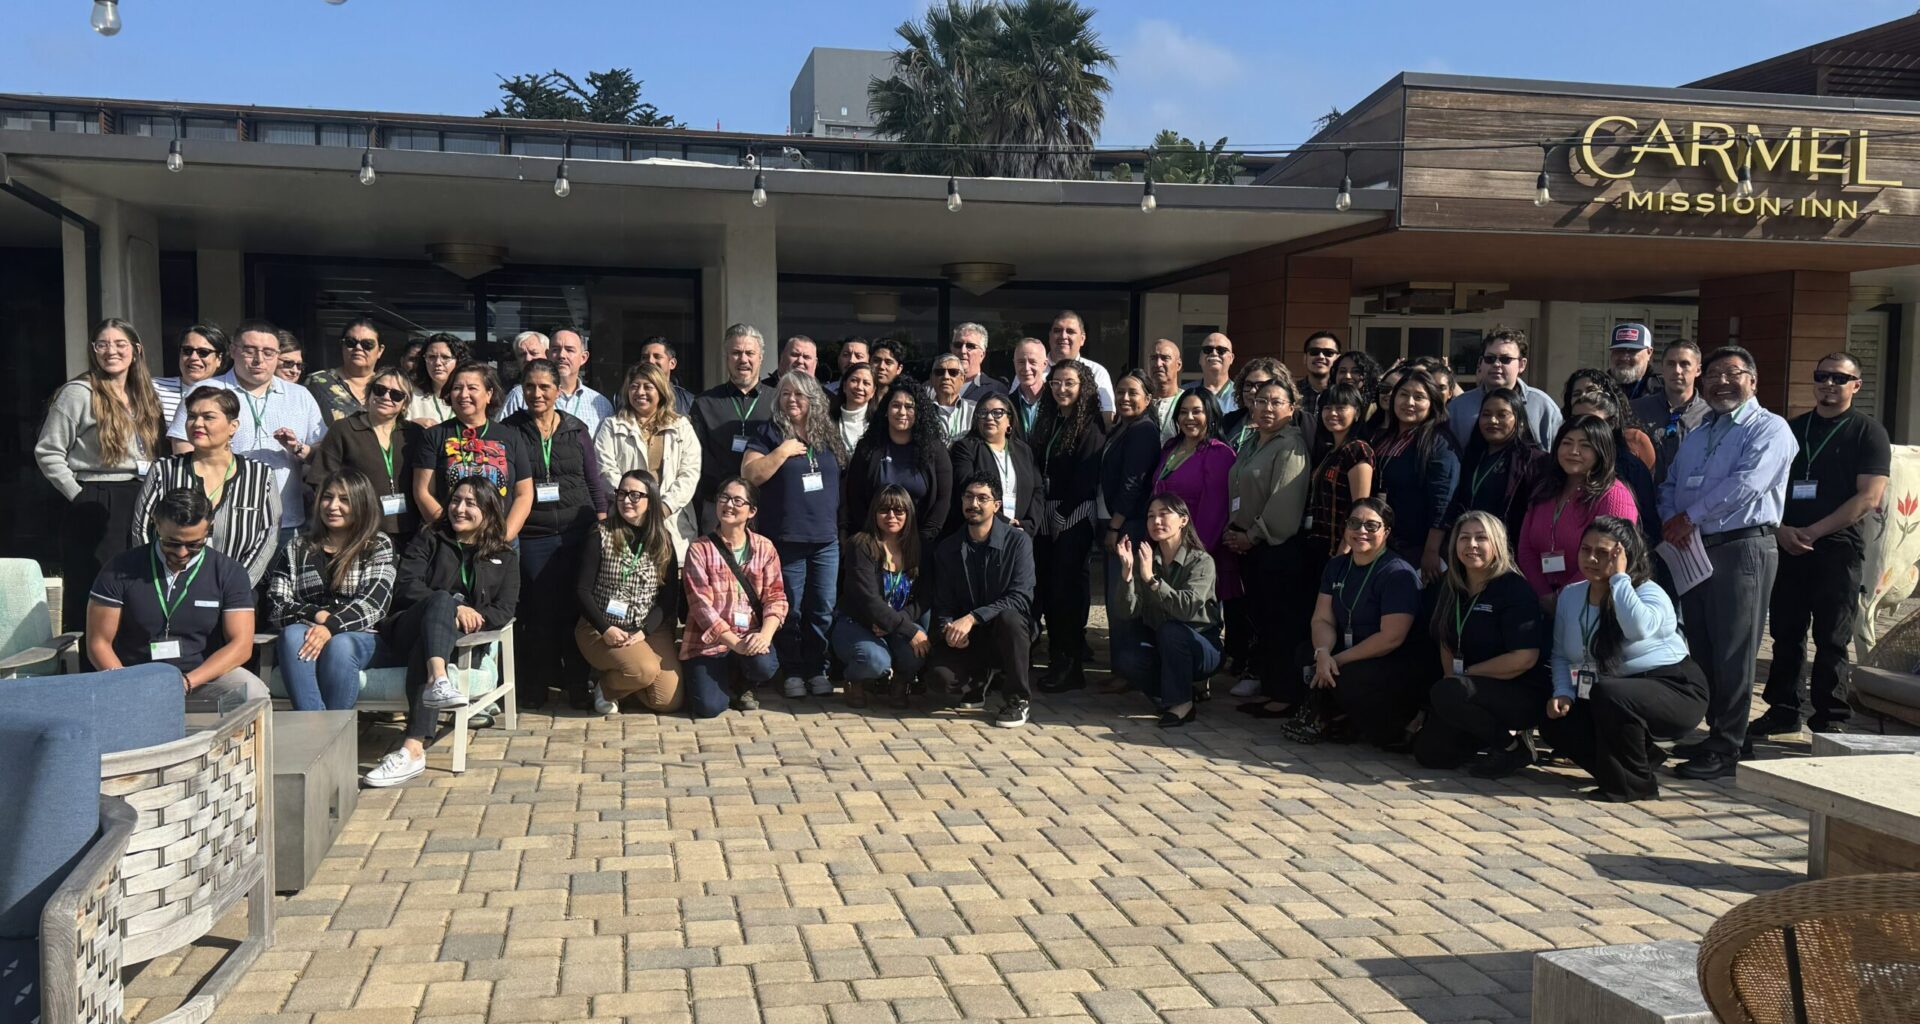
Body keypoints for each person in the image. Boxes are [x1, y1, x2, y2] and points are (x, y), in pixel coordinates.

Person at [1658, 345, 1793, 780]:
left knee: (1735, 649)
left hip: (1742, 547)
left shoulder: (1770, 429)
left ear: (1752, 381)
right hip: (1693, 546)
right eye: (1713, 374)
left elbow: (1748, 484)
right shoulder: (1699, 432)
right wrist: (1670, 521)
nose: (1720, 382)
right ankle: (1720, 731)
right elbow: (1672, 483)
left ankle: (1727, 746)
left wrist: (1689, 517)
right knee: (1704, 644)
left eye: (1732, 373)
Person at [1754, 353, 1891, 737]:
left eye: (1840, 378)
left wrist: (1813, 532)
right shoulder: (1793, 430)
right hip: (1788, 543)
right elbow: (1767, 487)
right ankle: (1782, 710)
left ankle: (1831, 717)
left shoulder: (1867, 433)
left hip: (1837, 548)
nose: (1830, 384)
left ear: (1856, 385)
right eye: (1822, 376)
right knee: (1785, 632)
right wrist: (1781, 529)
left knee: (1832, 636)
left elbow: (1869, 497)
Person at [363, 478, 521, 787]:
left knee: (431, 635)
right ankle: (439, 679)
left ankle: (412, 749)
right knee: (439, 600)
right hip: (407, 625)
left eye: (470, 504)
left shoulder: (505, 556)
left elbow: (504, 610)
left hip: (461, 639)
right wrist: (451, 606)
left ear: (489, 512)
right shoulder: (429, 538)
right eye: (455, 501)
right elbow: (407, 584)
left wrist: (469, 615)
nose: (459, 509)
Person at [1539, 516, 1705, 801]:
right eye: (1585, 549)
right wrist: (1563, 692)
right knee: (1556, 722)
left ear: (1625, 557)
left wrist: (1619, 579)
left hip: (1673, 688)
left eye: (1603, 553)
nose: (1591, 558)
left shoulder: (1649, 592)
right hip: (1613, 692)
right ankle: (1637, 761)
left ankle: (1634, 786)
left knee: (1610, 694)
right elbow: (1560, 655)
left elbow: (1637, 628)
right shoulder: (1571, 595)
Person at [39, 317, 167, 628]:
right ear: (93, 350)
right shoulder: (78, 393)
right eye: (103, 344)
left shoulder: (145, 394)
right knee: (95, 585)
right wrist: (79, 495)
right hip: (97, 495)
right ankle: (92, 669)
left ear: (136, 350)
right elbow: (48, 452)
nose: (112, 351)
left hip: (141, 495)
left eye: (120, 344)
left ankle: (132, 664)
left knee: (137, 583)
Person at [85, 486, 268, 698]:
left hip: (201, 676)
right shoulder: (120, 568)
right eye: (172, 543)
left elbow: (241, 645)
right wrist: (125, 683)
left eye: (194, 544)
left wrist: (187, 683)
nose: (182, 553)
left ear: (209, 528)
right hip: (132, 675)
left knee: (254, 693)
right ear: (156, 523)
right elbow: (98, 642)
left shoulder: (228, 572)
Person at [1281, 498, 1433, 745]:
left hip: (1393, 658)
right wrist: (1322, 653)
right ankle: (1339, 718)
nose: (1361, 531)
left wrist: (1335, 660)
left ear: (1387, 532)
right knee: (1304, 654)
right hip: (1350, 648)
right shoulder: (1337, 565)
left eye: (1371, 526)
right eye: (1354, 523)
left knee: (1348, 676)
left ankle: (1390, 724)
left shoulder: (1398, 573)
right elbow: (1322, 619)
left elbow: (1391, 638)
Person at [503, 358, 608, 710]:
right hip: (533, 535)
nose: (537, 393)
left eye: (544, 387)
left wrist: (603, 519)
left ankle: (577, 684)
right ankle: (536, 686)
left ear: (557, 390)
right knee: (537, 615)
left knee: (574, 612)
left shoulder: (576, 429)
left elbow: (593, 481)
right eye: (530, 386)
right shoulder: (510, 430)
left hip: (578, 534)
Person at [164, 319, 327, 544]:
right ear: (233, 350)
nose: (259, 360)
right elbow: (183, 451)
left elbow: (322, 452)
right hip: (222, 521)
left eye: (269, 353)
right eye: (250, 351)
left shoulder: (300, 396)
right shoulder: (206, 391)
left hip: (286, 521)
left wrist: (298, 448)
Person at [1413, 513, 1549, 776]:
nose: (1471, 545)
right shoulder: (1450, 586)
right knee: (1429, 754)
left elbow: (1525, 658)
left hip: (1517, 690)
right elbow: (1445, 638)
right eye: (1464, 538)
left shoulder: (1514, 589)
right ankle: (1485, 736)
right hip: (1468, 688)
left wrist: (1462, 677)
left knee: (1448, 691)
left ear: (1497, 544)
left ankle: (1512, 747)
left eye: (1481, 538)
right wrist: (1452, 679)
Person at [741, 372, 845, 699]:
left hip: (826, 539)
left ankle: (818, 669)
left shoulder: (828, 434)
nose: (792, 400)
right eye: (785, 394)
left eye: (799, 394)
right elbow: (749, 474)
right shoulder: (769, 433)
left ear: (813, 398)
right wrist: (782, 452)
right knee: (792, 608)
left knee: (822, 608)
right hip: (786, 539)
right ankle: (793, 670)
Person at [265, 469, 396, 710]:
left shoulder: (377, 545)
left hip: (363, 638)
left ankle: (330, 733)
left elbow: (374, 605)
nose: (333, 506)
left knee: (340, 644)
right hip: (308, 632)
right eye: (327, 497)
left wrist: (331, 627)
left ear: (361, 503)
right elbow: (276, 604)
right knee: (292, 635)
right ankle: (316, 727)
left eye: (344, 499)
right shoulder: (297, 546)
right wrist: (316, 615)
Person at [132, 387, 280, 584]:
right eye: (192, 416)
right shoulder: (164, 470)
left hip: (236, 589)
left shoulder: (261, 475)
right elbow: (141, 528)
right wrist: (159, 576)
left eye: (208, 417)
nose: (197, 423)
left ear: (233, 426)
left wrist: (238, 586)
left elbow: (268, 536)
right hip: (169, 585)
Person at [1221, 378, 1310, 701]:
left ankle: (1282, 694)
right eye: (1261, 401)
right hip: (1248, 547)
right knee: (1259, 619)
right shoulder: (1253, 441)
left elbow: (1284, 502)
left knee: (1279, 623)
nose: (1267, 408)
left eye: (1275, 402)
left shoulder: (1290, 445)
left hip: (1274, 549)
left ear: (1292, 407)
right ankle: (1268, 685)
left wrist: (1252, 536)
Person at [924, 475, 1037, 727]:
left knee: (1010, 618)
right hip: (970, 639)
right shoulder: (948, 548)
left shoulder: (1018, 542)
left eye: (982, 498)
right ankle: (978, 679)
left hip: (1006, 633)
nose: (973, 503)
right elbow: (942, 603)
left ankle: (1018, 700)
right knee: (940, 679)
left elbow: (1021, 598)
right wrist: (949, 630)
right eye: (968, 497)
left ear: (996, 505)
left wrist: (973, 617)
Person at [574, 470, 683, 716]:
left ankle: (625, 678)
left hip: (647, 626)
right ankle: (608, 687)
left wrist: (644, 632)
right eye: (622, 493)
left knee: (668, 700)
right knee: (644, 670)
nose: (626, 501)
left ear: (650, 500)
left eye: (635, 495)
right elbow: (582, 590)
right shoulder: (600, 533)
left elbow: (668, 598)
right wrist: (605, 629)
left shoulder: (663, 539)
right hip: (603, 626)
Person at [680, 477, 788, 717]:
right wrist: (735, 644)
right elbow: (701, 608)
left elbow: (776, 597)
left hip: (750, 635)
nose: (729, 505)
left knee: (764, 664)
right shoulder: (700, 548)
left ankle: (744, 683)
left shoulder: (765, 547)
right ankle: (719, 678)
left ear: (752, 511)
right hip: (709, 643)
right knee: (709, 708)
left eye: (738, 500)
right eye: (724, 498)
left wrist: (764, 635)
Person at [1112, 493, 1222, 728]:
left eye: (1164, 514)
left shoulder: (1201, 561)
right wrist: (1129, 574)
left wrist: (1152, 580)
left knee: (1172, 630)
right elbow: (1127, 611)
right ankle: (1174, 693)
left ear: (1183, 520)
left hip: (1201, 646)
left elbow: (1186, 608)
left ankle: (1182, 704)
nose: (1156, 521)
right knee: (1128, 658)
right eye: (1151, 516)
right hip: (1163, 646)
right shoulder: (1147, 559)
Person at [1032, 359, 1104, 692]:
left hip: (1074, 514)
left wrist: (1064, 515)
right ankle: (1056, 656)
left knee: (1066, 590)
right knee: (1048, 588)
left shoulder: (1090, 425)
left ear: (1083, 387)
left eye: (1070, 383)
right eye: (1057, 382)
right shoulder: (1047, 421)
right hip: (1045, 513)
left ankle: (1071, 663)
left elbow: (1087, 477)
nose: (1062, 389)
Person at [1517, 416, 1639, 603]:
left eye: (1585, 445)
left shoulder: (1614, 496)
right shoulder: (1545, 489)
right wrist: (1543, 596)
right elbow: (1525, 549)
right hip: (1540, 601)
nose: (1574, 451)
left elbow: (1606, 557)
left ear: (1601, 451)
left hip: (1591, 603)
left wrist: (1563, 599)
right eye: (1567, 443)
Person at [410, 361, 535, 542]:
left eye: (472, 388)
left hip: (498, 539)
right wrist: (450, 533)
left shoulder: (510, 437)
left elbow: (524, 494)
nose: (464, 394)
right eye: (457, 388)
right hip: (450, 539)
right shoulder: (434, 436)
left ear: (489, 394)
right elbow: (423, 492)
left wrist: (505, 535)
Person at [833, 486, 932, 709]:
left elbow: (925, 597)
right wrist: (898, 626)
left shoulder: (920, 547)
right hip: (858, 622)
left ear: (909, 514)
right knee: (875, 661)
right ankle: (854, 680)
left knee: (919, 647)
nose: (891, 517)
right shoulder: (861, 544)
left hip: (896, 622)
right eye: (884, 510)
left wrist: (898, 623)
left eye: (899, 511)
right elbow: (866, 597)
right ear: (874, 513)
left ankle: (900, 683)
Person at [595, 362, 701, 557]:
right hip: (625, 519)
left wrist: (663, 508)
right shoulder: (611, 426)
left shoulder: (681, 426)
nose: (640, 392)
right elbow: (604, 470)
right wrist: (635, 503)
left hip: (671, 520)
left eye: (648, 387)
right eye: (634, 387)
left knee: (669, 580)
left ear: (660, 391)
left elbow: (690, 473)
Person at [308, 367, 422, 542]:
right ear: (369, 393)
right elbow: (322, 481)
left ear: (405, 403)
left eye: (396, 395)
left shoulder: (414, 434)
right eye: (380, 390)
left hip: (409, 532)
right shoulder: (343, 429)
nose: (386, 397)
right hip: (359, 532)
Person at [1371, 370, 1459, 583]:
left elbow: (1443, 500)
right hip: (1381, 542)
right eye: (1403, 394)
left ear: (1432, 403)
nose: (1409, 402)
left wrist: (1431, 549)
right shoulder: (1382, 438)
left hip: (1417, 548)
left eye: (1419, 397)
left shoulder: (1439, 443)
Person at [690, 323, 777, 533]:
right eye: (736, 353)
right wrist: (731, 491)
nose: (743, 359)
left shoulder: (778, 401)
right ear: (727, 357)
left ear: (760, 357)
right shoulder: (705, 403)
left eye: (750, 353)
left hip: (768, 506)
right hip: (718, 506)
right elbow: (697, 457)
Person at [846, 382, 952, 549]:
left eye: (909, 407)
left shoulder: (935, 450)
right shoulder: (868, 448)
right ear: (886, 411)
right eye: (896, 405)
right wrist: (872, 538)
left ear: (919, 413)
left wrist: (922, 541)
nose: (902, 412)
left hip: (920, 545)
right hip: (875, 543)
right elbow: (854, 496)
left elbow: (943, 500)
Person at [1447, 328, 1561, 451]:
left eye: (1505, 359)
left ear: (1522, 364)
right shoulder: (1458, 407)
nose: (1496, 364)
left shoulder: (1542, 406)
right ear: (1480, 362)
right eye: (1490, 359)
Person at [948, 391, 1042, 536]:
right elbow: (966, 488)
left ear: (1009, 420)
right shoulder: (966, 448)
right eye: (983, 412)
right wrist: (1005, 523)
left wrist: (1027, 525)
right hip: (982, 533)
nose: (989, 417)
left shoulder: (1024, 451)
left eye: (997, 413)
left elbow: (1037, 490)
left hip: (1021, 534)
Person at [499, 326, 613, 436]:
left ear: (583, 358)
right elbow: (500, 441)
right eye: (555, 349)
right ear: (548, 355)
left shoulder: (601, 405)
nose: (562, 355)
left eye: (570, 350)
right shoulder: (521, 395)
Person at [1631, 339, 1710, 485]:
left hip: (1688, 502)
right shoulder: (1636, 409)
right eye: (1671, 364)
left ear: (1698, 370)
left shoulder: (1710, 415)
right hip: (1643, 499)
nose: (1677, 371)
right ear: (1662, 367)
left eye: (1685, 364)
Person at [304, 318, 384, 423]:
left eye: (367, 344)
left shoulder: (389, 387)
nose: (358, 347)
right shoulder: (317, 382)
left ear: (380, 351)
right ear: (342, 345)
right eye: (350, 342)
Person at [1046, 310, 1115, 419]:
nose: (1063, 336)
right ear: (1050, 337)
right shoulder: (1032, 370)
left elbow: (1107, 416)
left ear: (1082, 339)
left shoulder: (1097, 372)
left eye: (1070, 331)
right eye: (1057, 330)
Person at [154, 322, 226, 426]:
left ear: (219, 359)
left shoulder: (229, 394)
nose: (193, 357)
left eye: (203, 352)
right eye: (187, 350)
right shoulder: (155, 388)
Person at [1218, 358, 1283, 453]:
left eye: (1260, 385)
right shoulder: (1229, 421)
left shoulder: (1286, 424)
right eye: (1248, 385)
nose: (1252, 391)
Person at [406, 333, 465, 426]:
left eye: (445, 357)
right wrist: (411, 425)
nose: (437, 363)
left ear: (459, 361)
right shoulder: (410, 392)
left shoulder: (468, 395)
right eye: (431, 357)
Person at [926, 352, 976, 441]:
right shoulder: (922, 411)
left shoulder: (975, 410)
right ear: (932, 378)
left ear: (962, 379)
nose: (946, 377)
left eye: (953, 372)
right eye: (939, 372)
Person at [950, 322, 1006, 401]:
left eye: (970, 346)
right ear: (951, 350)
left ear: (982, 355)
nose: (963, 351)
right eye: (958, 345)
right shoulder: (934, 386)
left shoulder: (996, 389)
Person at [640, 337, 696, 415]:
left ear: (672, 363)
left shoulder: (689, 402)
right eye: (644, 357)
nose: (650, 361)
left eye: (657, 357)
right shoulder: (622, 398)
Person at [1608, 322, 1661, 401]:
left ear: (1649, 353)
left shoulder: (1663, 390)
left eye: (1632, 351)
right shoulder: (1598, 387)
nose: (1624, 357)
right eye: (1619, 350)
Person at [832, 363, 877, 453]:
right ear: (844, 386)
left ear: (873, 391)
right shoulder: (828, 420)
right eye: (854, 380)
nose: (859, 387)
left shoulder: (878, 425)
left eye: (866, 383)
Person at [1008, 337, 1049, 436]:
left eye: (1032, 362)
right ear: (1014, 364)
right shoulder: (1006, 405)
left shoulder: (1056, 402)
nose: (1026, 368)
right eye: (1021, 362)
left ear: (1044, 365)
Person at [1145, 339, 1185, 440]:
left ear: (1178, 365)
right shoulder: (1140, 401)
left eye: (1165, 358)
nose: (1158, 364)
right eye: (1153, 358)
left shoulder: (1187, 402)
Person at [1298, 331, 1342, 424]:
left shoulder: (1345, 395)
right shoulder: (1291, 393)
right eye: (1314, 352)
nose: (1321, 357)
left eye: (1328, 353)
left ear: (1338, 359)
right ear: (1305, 358)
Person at [1196, 333, 1236, 414]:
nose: (1214, 353)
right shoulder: (1184, 393)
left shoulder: (1241, 396)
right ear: (1200, 358)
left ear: (1231, 358)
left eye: (1221, 350)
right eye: (1208, 349)